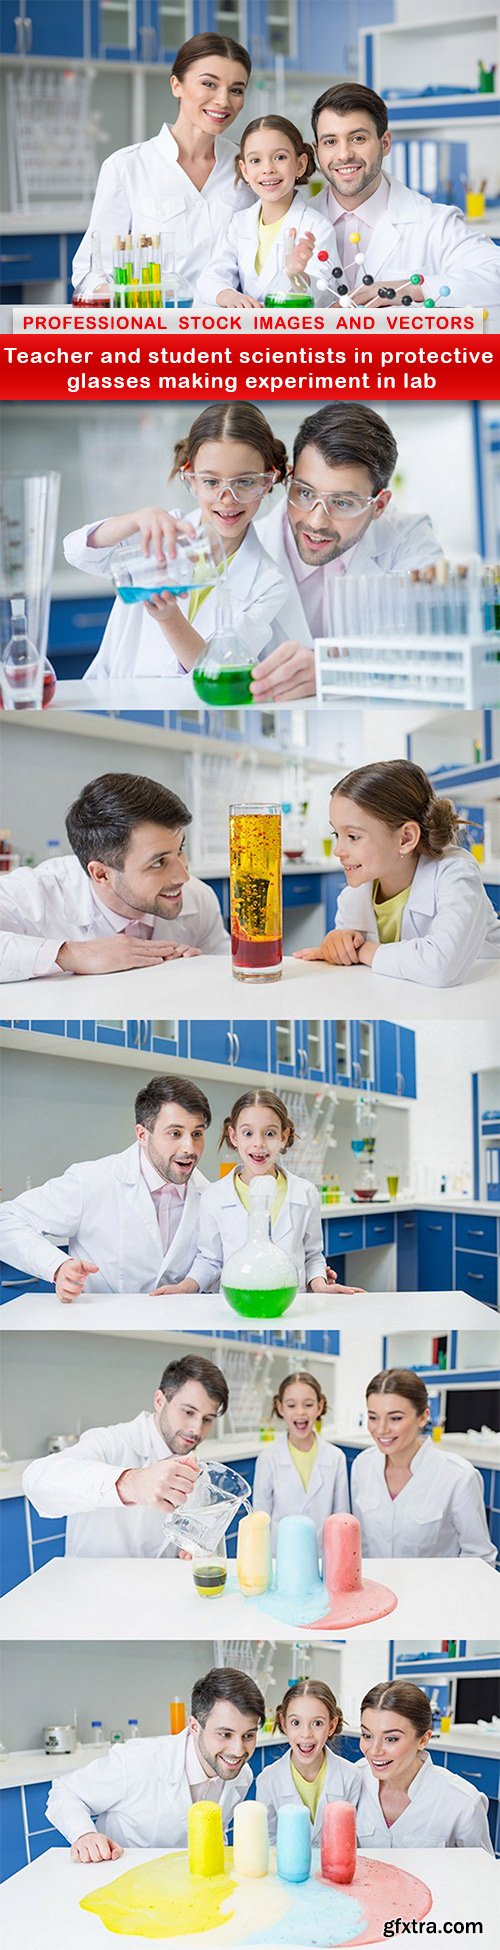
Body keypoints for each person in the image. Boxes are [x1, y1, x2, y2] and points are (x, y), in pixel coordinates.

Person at [63, 404, 293, 682]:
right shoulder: (160, 532)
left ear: (269, 481)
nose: (228, 498)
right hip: (115, 694)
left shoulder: (268, 584)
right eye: (211, 482)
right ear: (191, 479)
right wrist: (136, 519)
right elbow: (77, 552)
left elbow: (216, 670)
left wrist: (169, 618)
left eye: (245, 481)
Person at [250, 403, 442, 707]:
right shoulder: (250, 547)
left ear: (379, 505)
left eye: (342, 502)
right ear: (289, 477)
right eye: (304, 493)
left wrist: (333, 668)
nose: (315, 521)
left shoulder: (406, 538)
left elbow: (438, 644)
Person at [0, 771, 228, 982]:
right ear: (101, 874)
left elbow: (228, 975)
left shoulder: (198, 898)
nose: (184, 876)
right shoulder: (34, 893)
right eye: (158, 862)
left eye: (180, 849)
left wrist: (201, 970)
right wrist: (73, 954)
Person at [71, 33, 254, 296]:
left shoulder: (249, 167)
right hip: (156, 327)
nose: (224, 100)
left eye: (236, 90)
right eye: (209, 84)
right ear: (176, 85)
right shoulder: (127, 168)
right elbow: (91, 271)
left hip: (231, 328)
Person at [0, 1075, 213, 1299]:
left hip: (174, 1329)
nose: (189, 1147)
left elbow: (214, 1262)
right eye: (175, 1133)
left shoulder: (208, 1194)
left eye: (197, 1134)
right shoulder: (92, 1181)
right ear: (142, 1135)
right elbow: (6, 1219)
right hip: (103, 1327)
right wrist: (57, 1265)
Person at [294, 760, 500, 987]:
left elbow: (441, 966)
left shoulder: (455, 872)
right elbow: (356, 960)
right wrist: (337, 943)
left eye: (353, 836)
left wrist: (362, 950)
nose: (338, 851)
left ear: (406, 838)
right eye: (337, 835)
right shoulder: (356, 893)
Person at [154, 1087, 363, 1296]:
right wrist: (184, 1287)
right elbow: (210, 1260)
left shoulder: (305, 1192)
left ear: (284, 1136)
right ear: (234, 1137)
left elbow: (312, 1255)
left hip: (292, 1303)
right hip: (238, 1303)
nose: (259, 1144)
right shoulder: (214, 1196)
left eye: (270, 1133)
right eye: (248, 1133)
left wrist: (320, 1285)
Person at [311, 82, 500, 308]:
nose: (344, 155)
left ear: (385, 143)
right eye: (330, 142)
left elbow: (494, 274)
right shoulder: (298, 220)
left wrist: (412, 288)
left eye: (358, 138)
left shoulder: (432, 222)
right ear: (316, 151)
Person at [22, 1354, 229, 1559]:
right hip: (94, 1586)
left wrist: (191, 1552)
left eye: (207, 1419)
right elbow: (35, 1480)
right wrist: (131, 1483)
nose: (196, 1429)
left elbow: (189, 1541)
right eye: (188, 1412)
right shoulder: (111, 1442)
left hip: (158, 1586)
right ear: (159, 1400)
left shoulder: (198, 1472)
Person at [46, 1667, 264, 1859]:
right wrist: (84, 1834)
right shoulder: (137, 1761)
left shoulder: (241, 1774)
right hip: (126, 1884)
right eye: (225, 1734)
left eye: (248, 1736)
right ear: (195, 1726)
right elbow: (65, 1792)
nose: (238, 1751)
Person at [350, 1369, 496, 1564]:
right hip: (375, 1590)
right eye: (373, 1417)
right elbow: (361, 1545)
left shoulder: (458, 1477)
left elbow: (481, 1557)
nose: (381, 1429)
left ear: (423, 1417)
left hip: (433, 1593)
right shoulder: (362, 1466)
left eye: (395, 1418)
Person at [202, 116, 334, 308]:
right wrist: (229, 296)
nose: (267, 169)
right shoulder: (241, 222)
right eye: (256, 160)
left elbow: (325, 295)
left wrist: (297, 275)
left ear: (300, 164)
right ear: (244, 170)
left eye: (280, 157)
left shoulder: (316, 227)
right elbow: (211, 277)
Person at [354, 1681, 494, 1851]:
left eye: (391, 1739)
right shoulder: (352, 1780)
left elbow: (480, 1874)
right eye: (367, 1735)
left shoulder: (463, 1803)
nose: (374, 1751)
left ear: (423, 1739)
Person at [252, 1370, 349, 1554]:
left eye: (308, 1404)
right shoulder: (268, 1458)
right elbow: (260, 1521)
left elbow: (342, 1520)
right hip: (281, 1555)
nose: (300, 1412)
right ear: (280, 1408)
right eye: (291, 1405)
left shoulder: (336, 1457)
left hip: (323, 1555)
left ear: (319, 1406)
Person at [256, 1679, 359, 1844]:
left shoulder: (351, 1777)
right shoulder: (267, 1780)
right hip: (287, 1868)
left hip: (335, 1868)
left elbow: (352, 1840)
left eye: (317, 1723)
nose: (306, 1734)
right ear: (284, 1724)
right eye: (296, 1723)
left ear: (332, 1726)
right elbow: (269, 1841)